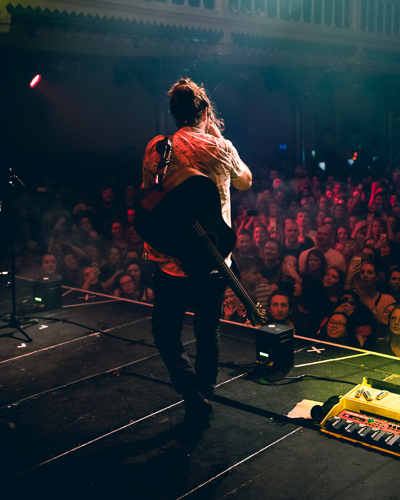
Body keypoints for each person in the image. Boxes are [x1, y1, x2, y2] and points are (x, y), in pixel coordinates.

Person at [142, 78, 252, 432]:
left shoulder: (157, 148)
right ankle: (205, 391)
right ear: (205, 111)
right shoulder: (221, 148)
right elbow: (246, 181)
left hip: (171, 259)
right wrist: (222, 143)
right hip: (213, 258)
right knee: (208, 330)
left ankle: (192, 393)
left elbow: (149, 197)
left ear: (174, 114)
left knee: (165, 331)